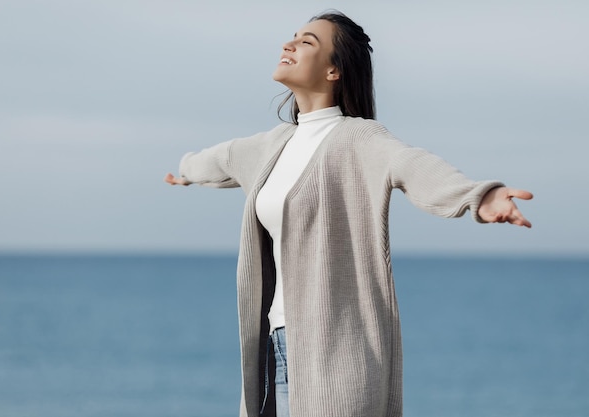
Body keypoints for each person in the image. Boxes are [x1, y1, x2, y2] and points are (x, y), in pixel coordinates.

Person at [164, 11, 532, 417]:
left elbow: (411, 165)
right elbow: (218, 160)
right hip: (274, 350)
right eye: (293, 37)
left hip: (336, 361)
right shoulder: (272, 145)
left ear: (334, 70)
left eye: (307, 42)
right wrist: (185, 173)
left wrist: (480, 196)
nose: (289, 45)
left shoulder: (358, 138)